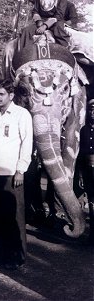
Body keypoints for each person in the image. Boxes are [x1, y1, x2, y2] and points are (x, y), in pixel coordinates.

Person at [0, 79, 33, 270]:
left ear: (11, 96)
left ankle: (16, 257)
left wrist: (21, 170)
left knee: (14, 217)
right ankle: (0, 255)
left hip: (12, 174)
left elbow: (27, 144)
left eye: (1, 94)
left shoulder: (22, 114)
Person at [77, 98, 94, 245]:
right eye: (91, 110)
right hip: (88, 170)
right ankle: (92, 235)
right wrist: (81, 174)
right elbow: (81, 154)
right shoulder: (84, 129)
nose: (93, 112)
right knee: (92, 201)